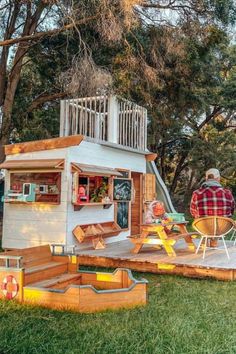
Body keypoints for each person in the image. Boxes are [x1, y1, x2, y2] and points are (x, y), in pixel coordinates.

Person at [190, 168, 235, 246]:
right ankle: (214, 241)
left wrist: (202, 216)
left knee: (201, 218)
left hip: (203, 227)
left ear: (206, 179)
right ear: (218, 179)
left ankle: (205, 238)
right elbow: (232, 210)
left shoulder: (196, 193)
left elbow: (193, 212)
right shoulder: (228, 193)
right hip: (222, 228)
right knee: (220, 220)